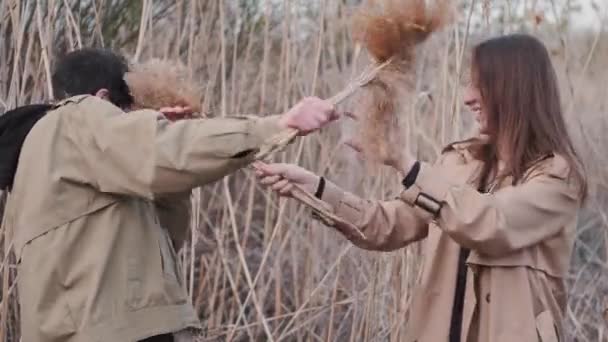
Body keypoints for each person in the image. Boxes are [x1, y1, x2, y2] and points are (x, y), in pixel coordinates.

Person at [254, 33, 587, 341]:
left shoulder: (557, 177)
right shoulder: (459, 163)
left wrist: (404, 161)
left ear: (514, 89)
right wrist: (315, 188)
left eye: (481, 84)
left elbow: (491, 223)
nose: (467, 97)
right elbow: (385, 225)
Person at [0, 48, 339, 342]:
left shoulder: (34, 161)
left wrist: (164, 139)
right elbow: (163, 155)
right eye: (125, 110)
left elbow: (161, 241)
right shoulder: (79, 117)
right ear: (102, 98)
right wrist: (277, 125)